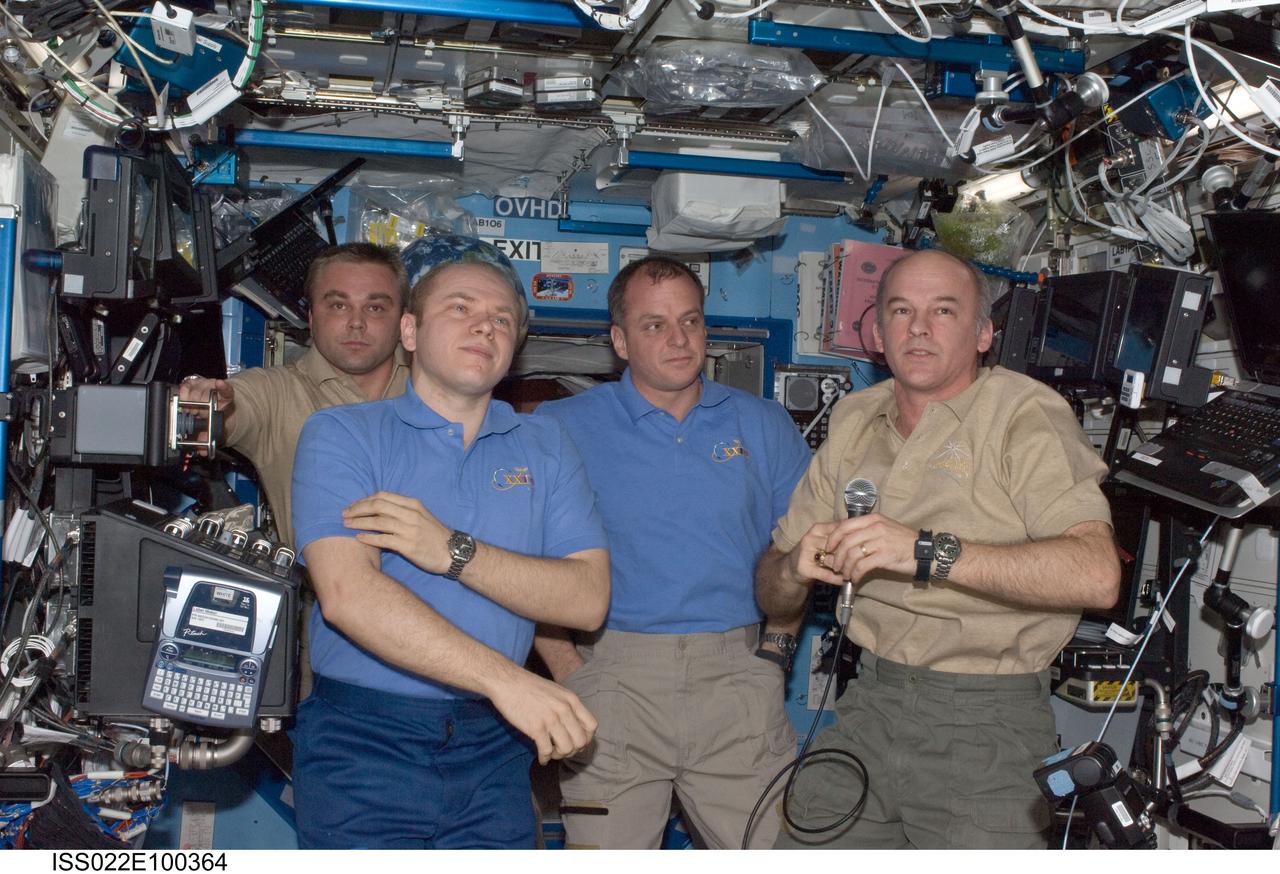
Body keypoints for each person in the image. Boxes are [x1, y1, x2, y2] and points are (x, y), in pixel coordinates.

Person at [755, 248, 1121, 849]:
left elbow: (1096, 574)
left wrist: (927, 551)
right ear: (875, 332)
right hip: (871, 699)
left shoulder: (1023, 415)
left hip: (987, 720)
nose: (919, 328)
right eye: (901, 310)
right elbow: (771, 584)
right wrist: (795, 568)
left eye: (943, 311)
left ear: (983, 334)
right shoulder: (854, 418)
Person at [289, 233, 610, 849]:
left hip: (496, 747)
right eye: (460, 308)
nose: (483, 327)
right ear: (408, 332)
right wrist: (508, 681)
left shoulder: (546, 446)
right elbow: (349, 594)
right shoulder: (342, 435)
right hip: (365, 741)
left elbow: (586, 598)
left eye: (501, 320)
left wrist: (453, 552)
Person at [534, 255, 812, 849]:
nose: (678, 339)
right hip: (610, 678)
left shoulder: (763, 425)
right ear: (620, 340)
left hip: (738, 678)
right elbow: (517, 562)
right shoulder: (558, 428)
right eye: (654, 325)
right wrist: (569, 672)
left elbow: (799, 555)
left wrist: (777, 650)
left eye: (690, 320)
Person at [178, 241, 410, 546]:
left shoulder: (437, 392)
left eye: (375, 308)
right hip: (324, 590)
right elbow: (236, 405)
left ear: (405, 322)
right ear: (312, 318)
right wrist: (206, 408)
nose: (357, 323)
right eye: (339, 305)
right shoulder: (277, 394)